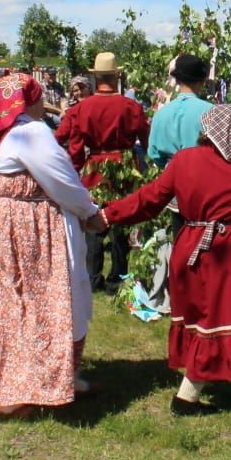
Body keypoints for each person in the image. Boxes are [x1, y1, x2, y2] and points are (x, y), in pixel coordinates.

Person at [103, 105, 231, 415]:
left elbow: (149, 199)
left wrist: (109, 214)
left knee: (219, 315)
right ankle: (187, 396)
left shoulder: (184, 160)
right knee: (219, 317)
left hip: (193, 248)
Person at [0, 73, 104, 417]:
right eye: (36, 99)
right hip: (31, 228)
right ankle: (28, 389)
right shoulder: (31, 132)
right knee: (41, 301)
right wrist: (89, 211)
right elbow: (61, 181)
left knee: (2, 304)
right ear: (28, 102)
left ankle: (4, 384)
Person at [60, 53, 150, 292]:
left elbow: (72, 143)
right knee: (120, 221)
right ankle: (116, 279)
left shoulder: (82, 108)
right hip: (124, 166)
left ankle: (92, 277)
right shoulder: (131, 106)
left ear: (96, 76)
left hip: (95, 167)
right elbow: (146, 139)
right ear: (117, 75)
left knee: (94, 220)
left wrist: (76, 169)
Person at [147, 54, 211, 169]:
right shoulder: (211, 111)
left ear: (176, 81)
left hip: (171, 177)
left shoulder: (160, 113)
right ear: (201, 82)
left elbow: (154, 154)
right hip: (202, 174)